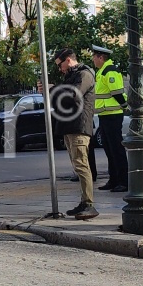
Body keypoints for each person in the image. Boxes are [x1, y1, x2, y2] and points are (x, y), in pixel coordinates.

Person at [48, 48, 98, 220]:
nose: (59, 69)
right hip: (69, 126)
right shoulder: (71, 76)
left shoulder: (85, 75)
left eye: (60, 65)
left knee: (82, 165)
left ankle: (89, 204)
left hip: (79, 126)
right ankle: (84, 203)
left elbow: (74, 96)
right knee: (78, 166)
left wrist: (54, 89)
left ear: (68, 60)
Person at [91, 45, 128, 192]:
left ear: (101, 57)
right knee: (109, 149)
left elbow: (117, 93)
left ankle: (124, 182)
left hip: (113, 116)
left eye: (94, 56)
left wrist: (125, 106)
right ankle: (113, 180)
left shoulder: (110, 70)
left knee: (117, 150)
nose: (93, 59)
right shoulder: (101, 72)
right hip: (105, 115)